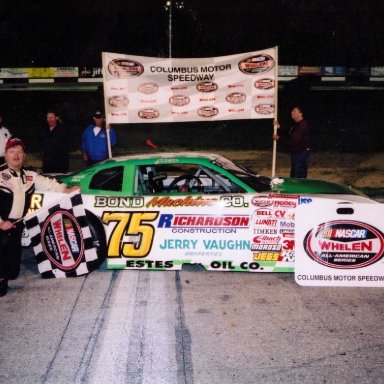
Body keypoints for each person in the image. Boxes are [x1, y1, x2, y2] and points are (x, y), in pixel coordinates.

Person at [0, 137, 80, 297]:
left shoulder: (30, 175)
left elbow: (50, 184)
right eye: (12, 152)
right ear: (5, 155)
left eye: (19, 152)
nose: (16, 155)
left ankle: (4, 279)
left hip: (16, 225)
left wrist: (67, 189)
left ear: (24, 156)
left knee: (13, 267)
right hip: (1, 225)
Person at [272, 106, 310, 178]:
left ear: (300, 113)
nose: (291, 112)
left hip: (301, 155)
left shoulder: (302, 125)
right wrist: (278, 126)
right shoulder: (296, 124)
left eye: (294, 111)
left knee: (298, 178)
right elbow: (288, 132)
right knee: (294, 175)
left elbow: (293, 140)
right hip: (297, 154)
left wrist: (278, 138)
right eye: (292, 111)